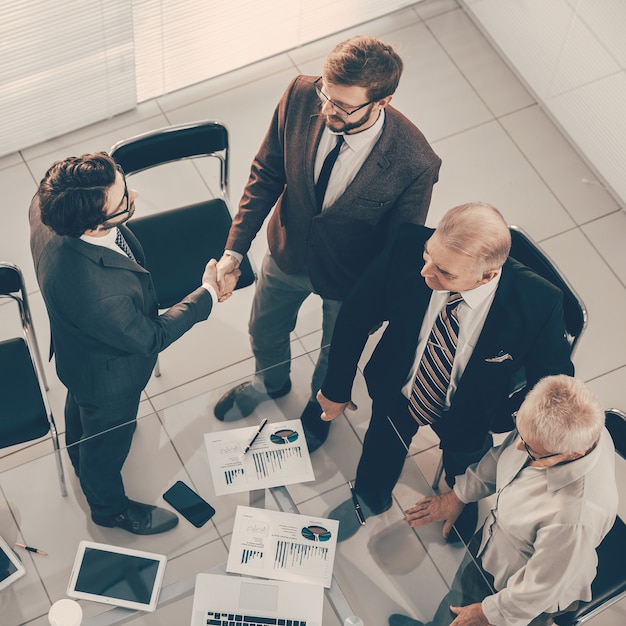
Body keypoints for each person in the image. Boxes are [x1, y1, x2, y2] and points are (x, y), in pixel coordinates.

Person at [213, 35, 441, 441]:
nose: (325, 109)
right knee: (263, 328)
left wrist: (373, 309)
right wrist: (234, 251)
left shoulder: (415, 161)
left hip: (350, 278)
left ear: (382, 102)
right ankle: (271, 384)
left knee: (333, 357)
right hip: (288, 249)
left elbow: (398, 247)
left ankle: (318, 413)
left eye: (342, 105)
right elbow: (266, 173)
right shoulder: (302, 93)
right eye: (326, 95)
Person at [317, 202, 574, 541]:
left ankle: (461, 505)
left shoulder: (539, 302)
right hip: (399, 388)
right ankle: (370, 496)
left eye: (445, 273)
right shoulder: (408, 246)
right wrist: (336, 388)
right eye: (428, 257)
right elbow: (356, 313)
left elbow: (552, 384)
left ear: (488, 275)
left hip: (472, 410)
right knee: (380, 448)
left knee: (464, 464)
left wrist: (518, 428)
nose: (425, 273)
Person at [29, 152, 239, 535]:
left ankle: (79, 452)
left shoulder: (45, 210)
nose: (136, 195)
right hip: (110, 377)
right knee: (107, 444)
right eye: (124, 199)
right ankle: (109, 510)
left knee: (80, 406)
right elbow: (150, 338)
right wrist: (207, 292)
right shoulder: (99, 294)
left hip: (80, 353)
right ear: (94, 225)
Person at [390, 375, 618, 626]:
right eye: (521, 434)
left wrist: (489, 613)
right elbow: (501, 457)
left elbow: (540, 590)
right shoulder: (558, 433)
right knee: (456, 604)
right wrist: (459, 495)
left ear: (573, 454)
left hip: (518, 590)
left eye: (532, 450)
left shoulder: (574, 518)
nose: (519, 448)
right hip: (495, 543)